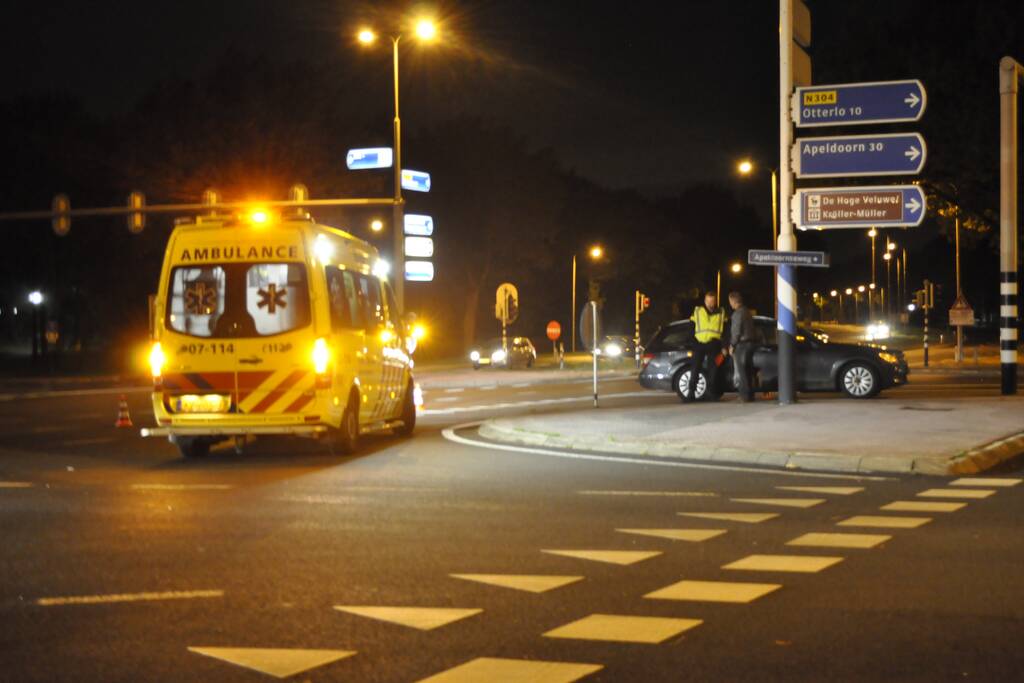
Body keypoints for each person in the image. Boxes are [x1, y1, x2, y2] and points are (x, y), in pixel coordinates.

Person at [685, 291, 724, 401]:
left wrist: (724, 345)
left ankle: (711, 394)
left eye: (712, 301)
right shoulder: (698, 311)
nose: (711, 303)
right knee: (695, 368)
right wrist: (693, 342)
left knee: (713, 370)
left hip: (714, 344)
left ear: (715, 301)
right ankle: (691, 393)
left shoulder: (721, 312)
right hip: (699, 344)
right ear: (705, 301)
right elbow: (691, 327)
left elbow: (726, 330)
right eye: (708, 301)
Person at [728, 291, 756, 402]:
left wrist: (732, 345)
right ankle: (750, 395)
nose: (730, 303)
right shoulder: (747, 312)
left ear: (733, 301)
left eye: (730, 301)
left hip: (742, 345)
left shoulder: (737, 314)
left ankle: (744, 396)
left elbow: (736, 332)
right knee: (748, 371)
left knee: (741, 371)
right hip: (751, 344)